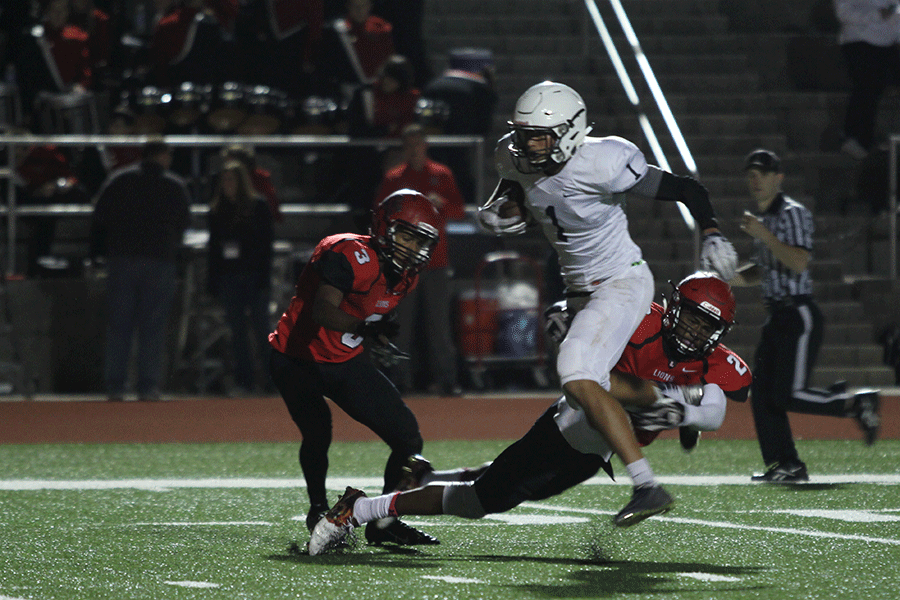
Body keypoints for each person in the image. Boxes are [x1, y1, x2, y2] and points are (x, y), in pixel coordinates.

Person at [307, 272, 752, 555]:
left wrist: (678, 413)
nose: (695, 331)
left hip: (593, 451)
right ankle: (360, 509)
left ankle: (423, 478)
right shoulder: (640, 321)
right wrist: (567, 324)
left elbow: (713, 412)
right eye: (691, 318)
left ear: (721, 333)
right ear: (673, 308)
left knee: (501, 481)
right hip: (573, 428)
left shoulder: (715, 362)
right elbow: (568, 309)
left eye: (706, 325)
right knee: (484, 500)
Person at [475, 81, 739, 524]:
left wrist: (711, 231)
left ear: (572, 131)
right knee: (589, 390)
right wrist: (501, 211)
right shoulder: (513, 153)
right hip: (578, 289)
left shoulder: (606, 162)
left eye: (541, 136)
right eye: (524, 135)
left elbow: (688, 189)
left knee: (576, 374)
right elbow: (515, 187)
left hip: (621, 281)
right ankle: (675, 399)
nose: (530, 145)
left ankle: (646, 484)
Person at [268, 189, 442, 547]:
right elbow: (323, 310)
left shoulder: (406, 276)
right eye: (406, 235)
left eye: (419, 241)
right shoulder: (349, 252)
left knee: (407, 437)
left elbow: (368, 314)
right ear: (383, 227)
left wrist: (377, 339)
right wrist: (365, 329)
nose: (411, 248)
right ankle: (317, 509)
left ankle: (384, 522)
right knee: (318, 431)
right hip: (296, 357)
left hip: (343, 360)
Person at [730, 148, 881, 482]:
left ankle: (855, 403)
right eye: (751, 174)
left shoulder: (791, 214)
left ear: (778, 178)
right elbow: (763, 269)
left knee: (788, 394)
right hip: (777, 316)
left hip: (798, 313)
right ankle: (786, 463)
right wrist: (724, 278)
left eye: (762, 173)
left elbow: (798, 261)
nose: (755, 180)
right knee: (763, 393)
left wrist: (763, 235)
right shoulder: (764, 219)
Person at [90, 139, 191, 402]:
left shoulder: (120, 180)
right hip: (159, 259)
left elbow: (100, 216)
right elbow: (184, 222)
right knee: (153, 327)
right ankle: (147, 385)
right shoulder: (173, 185)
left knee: (119, 326)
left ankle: (116, 385)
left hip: (123, 258)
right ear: (163, 156)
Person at [374, 123, 465, 394]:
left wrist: (441, 204)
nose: (414, 150)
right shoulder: (394, 178)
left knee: (439, 326)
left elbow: (459, 211)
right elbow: (381, 214)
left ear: (425, 145)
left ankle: (447, 380)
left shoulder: (441, 174)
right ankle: (401, 380)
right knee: (402, 325)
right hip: (404, 264)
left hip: (435, 262)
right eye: (409, 145)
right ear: (404, 148)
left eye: (417, 144)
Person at [207, 160, 274, 395]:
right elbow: (214, 249)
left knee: (261, 328)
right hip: (229, 277)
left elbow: (266, 247)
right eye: (224, 180)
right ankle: (244, 380)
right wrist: (213, 281)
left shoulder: (258, 207)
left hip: (253, 275)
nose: (227, 185)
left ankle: (271, 380)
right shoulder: (217, 211)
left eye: (231, 179)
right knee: (236, 332)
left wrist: (265, 279)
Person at [420, 48, 498, 202]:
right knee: (462, 174)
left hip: (435, 140)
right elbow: (484, 121)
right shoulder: (481, 89)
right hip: (464, 141)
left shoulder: (433, 86)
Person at [834, 0, 900, 159]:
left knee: (875, 88)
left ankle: (866, 138)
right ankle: (854, 137)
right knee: (867, 86)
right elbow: (843, 13)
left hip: (887, 42)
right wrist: (875, 15)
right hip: (859, 40)